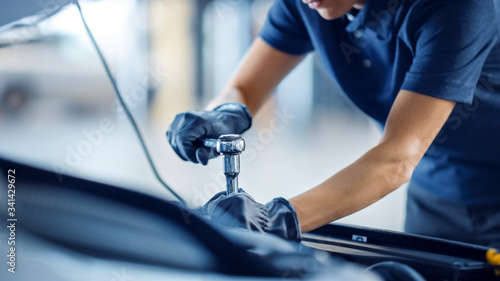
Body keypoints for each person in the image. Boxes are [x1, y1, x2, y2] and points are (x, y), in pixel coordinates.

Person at [167, 0, 500, 247]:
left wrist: (279, 218)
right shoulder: (311, 5)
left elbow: (397, 156)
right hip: (435, 192)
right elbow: (245, 87)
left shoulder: (460, 7)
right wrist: (223, 114)